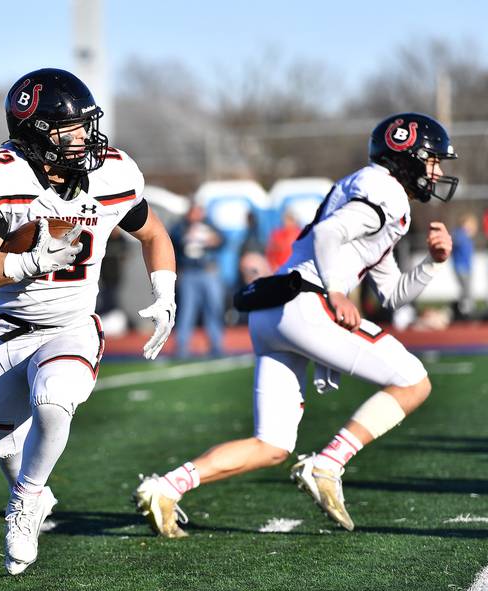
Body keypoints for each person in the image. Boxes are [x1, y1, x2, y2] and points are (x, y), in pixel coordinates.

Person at [133, 112, 457, 537]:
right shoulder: (387, 192)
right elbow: (328, 236)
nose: (436, 172)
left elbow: (392, 293)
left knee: (271, 446)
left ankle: (166, 488)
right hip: (307, 302)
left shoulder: (377, 191)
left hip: (275, 310)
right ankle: (328, 463)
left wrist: (432, 264)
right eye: (432, 160)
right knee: (414, 381)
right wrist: (338, 290)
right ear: (407, 157)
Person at [0, 68, 177, 575]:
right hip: (7, 332)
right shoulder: (1, 176)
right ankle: (27, 485)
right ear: (36, 132)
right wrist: (35, 260)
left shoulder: (112, 174)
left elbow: (154, 235)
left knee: (54, 403)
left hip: (71, 325)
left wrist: (164, 293)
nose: (85, 138)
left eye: (86, 125)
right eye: (70, 129)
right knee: (1, 441)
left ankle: (27, 502)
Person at [170, 203, 224, 358]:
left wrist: (213, 239)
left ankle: (216, 344)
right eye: (194, 212)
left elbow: (223, 240)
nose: (197, 215)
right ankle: (181, 345)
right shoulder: (180, 226)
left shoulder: (209, 225)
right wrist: (187, 234)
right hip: (189, 272)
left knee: (213, 307)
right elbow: (174, 239)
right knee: (187, 309)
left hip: (208, 271)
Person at [451, 213, 477, 319]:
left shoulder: (466, 236)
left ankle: (466, 309)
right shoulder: (459, 234)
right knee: (465, 290)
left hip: (467, 267)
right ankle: (464, 310)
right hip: (460, 267)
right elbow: (455, 243)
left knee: (467, 289)